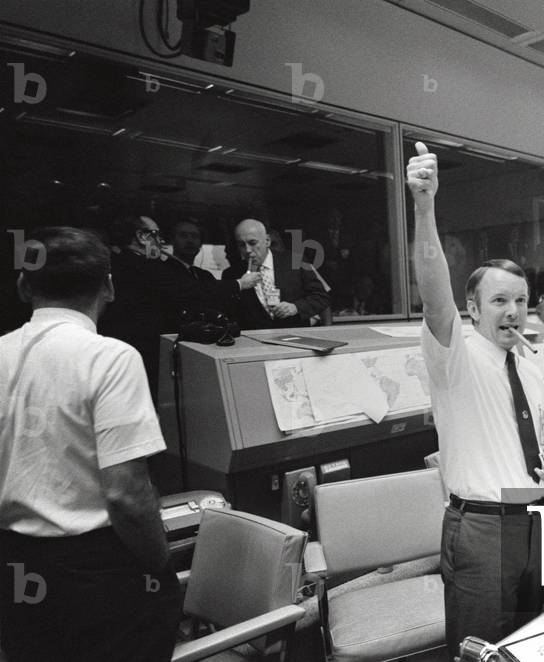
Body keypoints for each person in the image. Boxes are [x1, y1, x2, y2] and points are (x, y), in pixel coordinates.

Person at [407, 143, 544, 656]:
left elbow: (541, 441)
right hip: (481, 529)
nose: (514, 311)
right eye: (499, 300)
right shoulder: (455, 355)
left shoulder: (526, 361)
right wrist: (425, 204)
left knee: (528, 641)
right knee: (479, 650)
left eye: (520, 300)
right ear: (472, 309)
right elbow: (434, 293)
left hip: (539, 517)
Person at [1, 227, 180, 662]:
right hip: (94, 572)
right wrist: (159, 564)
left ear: (25, 284)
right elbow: (126, 494)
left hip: (14, 564)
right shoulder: (111, 358)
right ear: (109, 287)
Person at [99, 214, 258, 399]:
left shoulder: (126, 263)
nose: (160, 241)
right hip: (144, 352)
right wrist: (239, 283)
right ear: (142, 237)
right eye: (156, 235)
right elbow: (189, 291)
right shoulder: (144, 267)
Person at [222, 218, 330, 329]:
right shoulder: (232, 274)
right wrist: (240, 286)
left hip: (295, 336)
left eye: (252, 243)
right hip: (256, 340)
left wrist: (295, 307)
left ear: (267, 241)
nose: (247, 250)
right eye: (241, 245)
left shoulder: (295, 260)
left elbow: (321, 297)